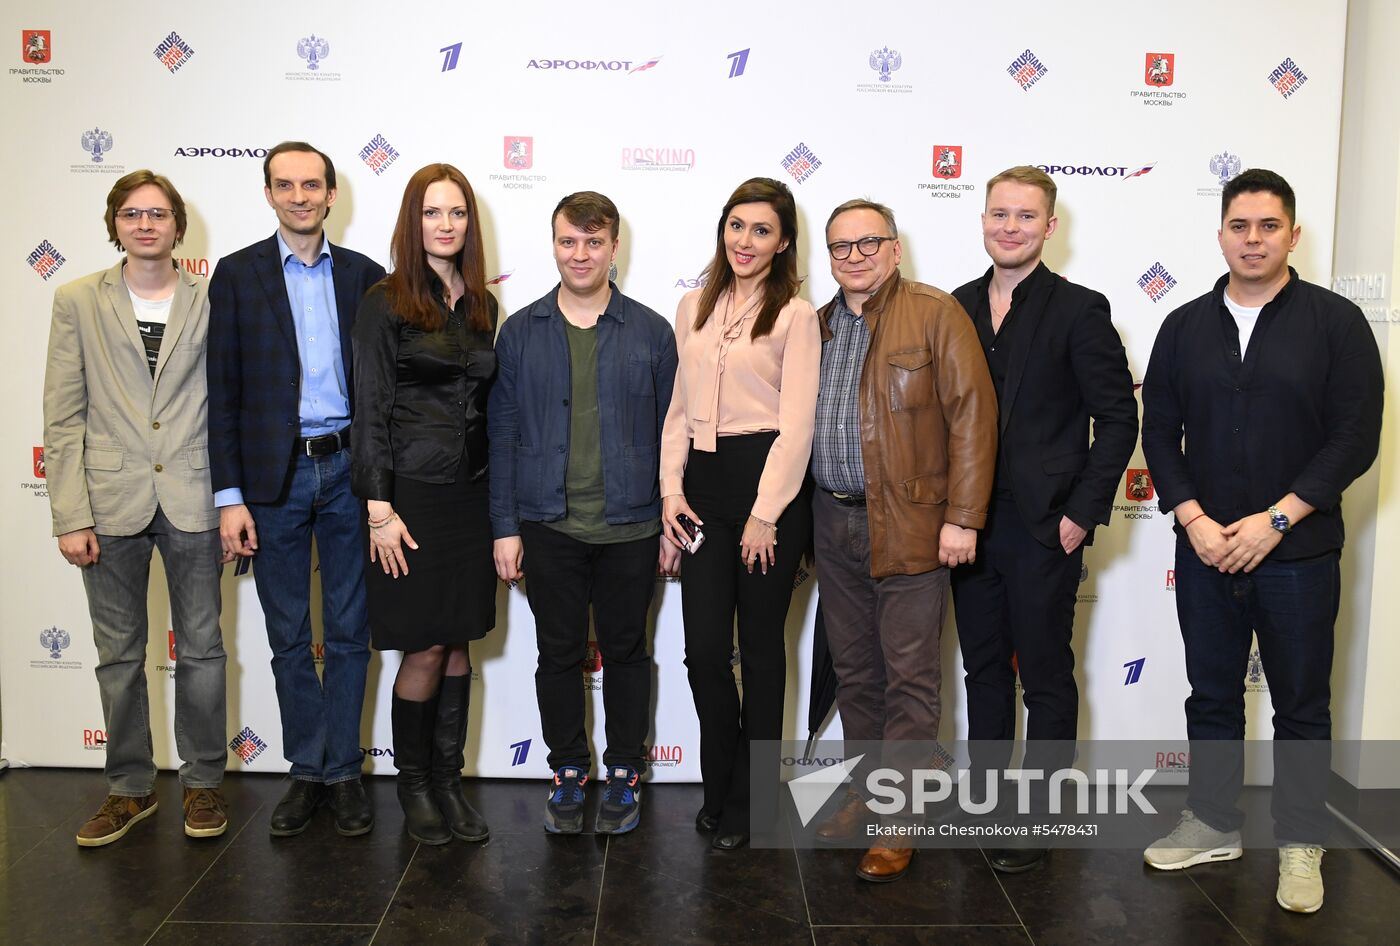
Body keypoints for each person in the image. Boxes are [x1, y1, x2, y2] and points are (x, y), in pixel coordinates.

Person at [1141, 168, 1383, 913]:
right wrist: (1195, 521)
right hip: (1206, 549)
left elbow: (1355, 437)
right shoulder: (1183, 324)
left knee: (1301, 704)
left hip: (1299, 555)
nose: (1253, 239)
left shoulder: (1337, 324)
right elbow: (1160, 431)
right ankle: (1213, 821)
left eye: (1268, 226)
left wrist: (1277, 519)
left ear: (1293, 235)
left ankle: (1301, 843)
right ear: (1221, 235)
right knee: (1211, 695)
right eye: (1240, 226)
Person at [949, 166, 1138, 873]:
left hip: (1043, 528)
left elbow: (1118, 420)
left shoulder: (1080, 310)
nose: (1010, 226)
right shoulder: (956, 306)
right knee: (985, 671)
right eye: (999, 213)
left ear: (1050, 227)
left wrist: (1080, 516)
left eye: (1025, 216)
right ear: (983, 220)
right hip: (966, 527)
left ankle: (1038, 816)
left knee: (1048, 678)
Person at [810, 199, 997, 882]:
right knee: (856, 670)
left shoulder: (934, 312)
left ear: (894, 248)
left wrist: (964, 517)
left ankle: (900, 819)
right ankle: (865, 795)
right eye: (840, 247)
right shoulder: (820, 325)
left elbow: (973, 416)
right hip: (832, 522)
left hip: (915, 520)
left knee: (909, 678)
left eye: (868, 243)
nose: (854, 257)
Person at [44, 170, 231, 846]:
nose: (145, 224)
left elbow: (230, 406)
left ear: (178, 225)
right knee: (118, 654)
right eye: (131, 214)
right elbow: (62, 416)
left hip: (194, 492)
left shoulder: (214, 299)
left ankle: (204, 783)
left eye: (157, 214)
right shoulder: (76, 300)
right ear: (114, 224)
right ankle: (129, 790)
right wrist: (70, 514)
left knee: (204, 650)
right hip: (108, 498)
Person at [207, 141, 386, 838]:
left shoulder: (369, 278)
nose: (300, 196)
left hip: (349, 470)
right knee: (288, 637)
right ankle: (305, 771)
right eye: (286, 185)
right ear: (269, 194)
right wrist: (229, 497)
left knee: (348, 632)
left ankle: (343, 773)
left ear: (332, 194)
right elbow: (220, 395)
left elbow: (383, 390)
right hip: (270, 478)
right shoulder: (236, 275)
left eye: (312, 185)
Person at [490, 192, 678, 835]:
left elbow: (671, 435)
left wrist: (670, 520)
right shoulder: (520, 332)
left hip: (632, 524)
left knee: (627, 652)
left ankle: (626, 772)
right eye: (569, 241)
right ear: (553, 244)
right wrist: (505, 527)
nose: (581, 254)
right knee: (557, 654)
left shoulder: (653, 331)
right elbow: (503, 433)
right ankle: (568, 770)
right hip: (547, 525)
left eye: (594, 242)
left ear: (614, 247)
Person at [660, 177, 820, 851]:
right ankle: (718, 783)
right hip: (701, 489)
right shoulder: (693, 304)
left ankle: (755, 801)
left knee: (759, 653)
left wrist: (766, 514)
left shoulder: (796, 316)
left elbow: (797, 425)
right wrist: (671, 491)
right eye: (736, 225)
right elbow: (676, 410)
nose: (744, 240)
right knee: (702, 654)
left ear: (783, 242)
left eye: (760, 230)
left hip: (767, 495)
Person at [351, 163, 498, 845]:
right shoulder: (384, 301)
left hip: (472, 496)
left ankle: (448, 778)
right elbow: (371, 409)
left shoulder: (480, 305)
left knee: (461, 641)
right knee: (425, 645)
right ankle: (413, 783)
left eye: (458, 213)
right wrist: (379, 508)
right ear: (413, 223)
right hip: (410, 497)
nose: (446, 224)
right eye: (433, 213)